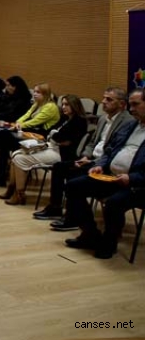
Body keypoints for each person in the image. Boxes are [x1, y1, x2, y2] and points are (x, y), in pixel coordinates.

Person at [63, 89, 145, 259]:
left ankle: (109, 243)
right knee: (73, 186)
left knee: (114, 203)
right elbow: (109, 150)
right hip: (112, 176)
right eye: (130, 105)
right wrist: (100, 165)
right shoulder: (131, 125)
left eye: (136, 104)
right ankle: (90, 234)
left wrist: (131, 178)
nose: (131, 109)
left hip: (138, 185)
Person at [42, 87, 133, 228]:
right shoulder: (102, 119)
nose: (103, 102)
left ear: (121, 104)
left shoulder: (128, 122)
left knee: (73, 179)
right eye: (103, 98)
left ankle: (73, 218)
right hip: (91, 159)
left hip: (103, 163)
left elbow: (116, 149)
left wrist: (95, 162)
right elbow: (92, 143)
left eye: (109, 99)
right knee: (59, 167)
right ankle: (55, 207)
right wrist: (85, 156)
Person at [0, 94, 88, 206]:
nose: (63, 107)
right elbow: (51, 133)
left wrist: (55, 136)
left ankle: (19, 194)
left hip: (62, 154)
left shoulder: (79, 121)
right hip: (52, 146)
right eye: (62, 104)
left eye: (67, 104)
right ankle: (11, 188)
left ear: (74, 105)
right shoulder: (65, 118)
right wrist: (55, 136)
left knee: (20, 159)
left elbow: (62, 139)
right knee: (16, 154)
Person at [0, 83, 60, 187]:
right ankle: (0, 175)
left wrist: (17, 126)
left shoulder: (50, 107)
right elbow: (25, 116)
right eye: (34, 92)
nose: (35, 94)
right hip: (30, 133)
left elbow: (35, 122)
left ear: (45, 94)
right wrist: (18, 123)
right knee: (3, 140)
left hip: (41, 139)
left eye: (38, 92)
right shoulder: (37, 104)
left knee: (3, 136)